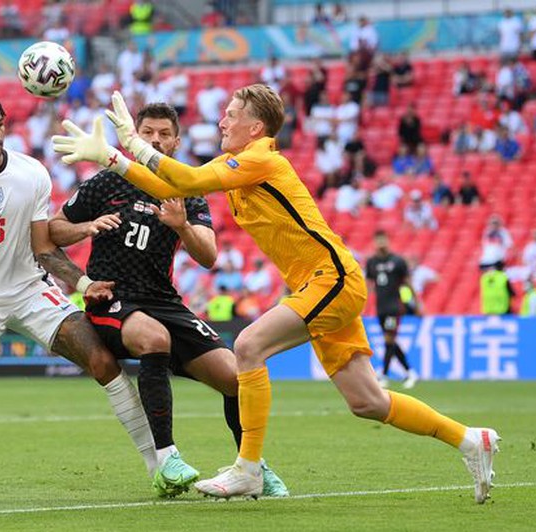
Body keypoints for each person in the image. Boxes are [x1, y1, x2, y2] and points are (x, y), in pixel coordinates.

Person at [52, 85, 499, 503]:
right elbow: (171, 188)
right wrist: (112, 158)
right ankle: (469, 439)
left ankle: (249, 468)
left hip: (330, 278)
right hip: (320, 285)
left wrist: (129, 145)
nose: (221, 122)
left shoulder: (261, 158)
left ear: (255, 128)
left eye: (231, 116)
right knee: (368, 401)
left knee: (248, 346)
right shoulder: (239, 164)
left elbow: (184, 182)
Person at [0, 94, 157, 506]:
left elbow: (44, 248)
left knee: (103, 362)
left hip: (32, 289)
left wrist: (82, 281)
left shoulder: (31, 172)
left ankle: (158, 468)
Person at [48, 103, 287, 498]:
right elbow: (54, 228)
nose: (155, 140)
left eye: (164, 134)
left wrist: (182, 227)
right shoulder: (107, 181)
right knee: (154, 338)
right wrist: (87, 227)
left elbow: (208, 255)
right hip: (112, 297)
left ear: (176, 142)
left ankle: (252, 466)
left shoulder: (187, 188)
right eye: (147, 133)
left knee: (236, 379)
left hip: (164, 301)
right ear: (135, 137)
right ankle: (167, 460)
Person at [366, 231, 419, 389]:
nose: (381, 243)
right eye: (378, 240)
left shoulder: (398, 261)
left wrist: (417, 303)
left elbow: (408, 283)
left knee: (389, 340)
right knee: (391, 341)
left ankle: (384, 375)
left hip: (394, 307)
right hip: (380, 308)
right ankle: (410, 372)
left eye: (383, 239)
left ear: (388, 241)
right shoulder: (371, 262)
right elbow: (369, 285)